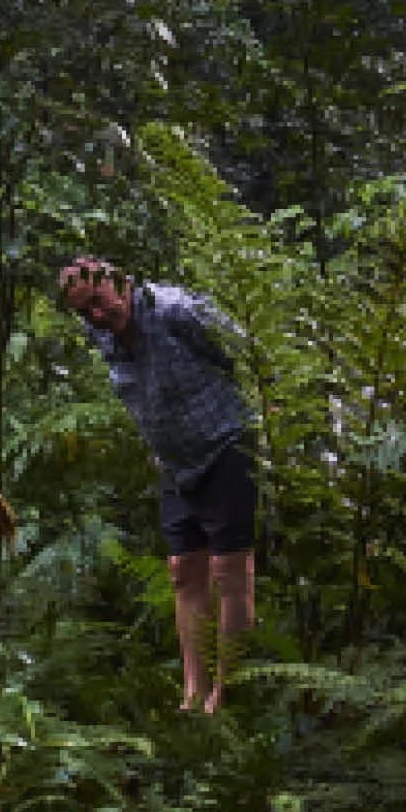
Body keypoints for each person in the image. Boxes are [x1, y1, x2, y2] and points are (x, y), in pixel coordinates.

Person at [59, 257, 257, 714]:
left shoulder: (173, 310)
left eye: (98, 300)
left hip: (226, 446)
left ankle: (227, 695)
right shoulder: (104, 335)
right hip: (175, 464)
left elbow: (244, 351)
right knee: (183, 571)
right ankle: (193, 693)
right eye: (83, 311)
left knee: (230, 571)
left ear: (119, 282)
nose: (96, 315)